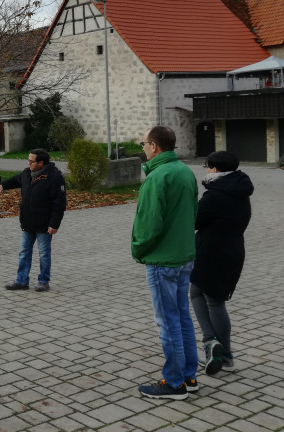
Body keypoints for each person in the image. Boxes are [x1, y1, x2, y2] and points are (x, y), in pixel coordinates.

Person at [131, 126, 198, 400]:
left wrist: (138, 250)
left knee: (168, 321)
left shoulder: (157, 177)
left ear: (154, 146)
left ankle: (174, 383)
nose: (143, 147)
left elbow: (148, 225)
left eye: (144, 143)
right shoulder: (185, 171)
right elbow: (193, 212)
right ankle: (189, 375)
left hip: (162, 260)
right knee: (182, 317)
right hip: (183, 256)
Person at [190, 151, 253, 375]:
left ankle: (216, 347)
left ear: (215, 169)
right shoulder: (241, 191)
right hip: (233, 251)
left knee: (211, 301)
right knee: (199, 293)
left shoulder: (214, 195)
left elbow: (195, 221)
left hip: (210, 252)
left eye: (207, 167)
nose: (206, 170)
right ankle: (219, 350)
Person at [0, 148, 66, 292]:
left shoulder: (54, 177)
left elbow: (59, 203)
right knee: (24, 251)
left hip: (44, 224)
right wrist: (2, 185)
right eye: (28, 160)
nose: (28, 163)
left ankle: (43, 281)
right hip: (27, 222)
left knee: (44, 253)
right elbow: (15, 180)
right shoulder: (27, 173)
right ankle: (21, 281)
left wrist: (54, 224)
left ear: (41, 163)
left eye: (31, 161)